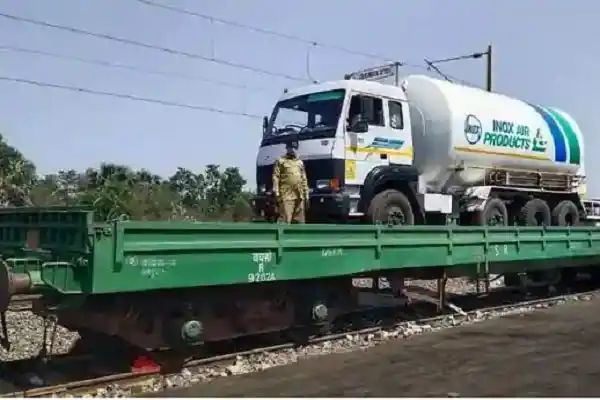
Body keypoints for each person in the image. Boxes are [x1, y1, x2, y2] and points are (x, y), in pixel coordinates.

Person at [272, 140, 309, 223]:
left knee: (299, 221)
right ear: (287, 148)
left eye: (294, 147)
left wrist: (306, 195)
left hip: (299, 195)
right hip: (286, 195)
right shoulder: (280, 161)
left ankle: (298, 236)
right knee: (285, 218)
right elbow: (276, 177)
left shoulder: (299, 162)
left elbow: (304, 179)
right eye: (290, 147)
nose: (292, 149)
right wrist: (276, 193)